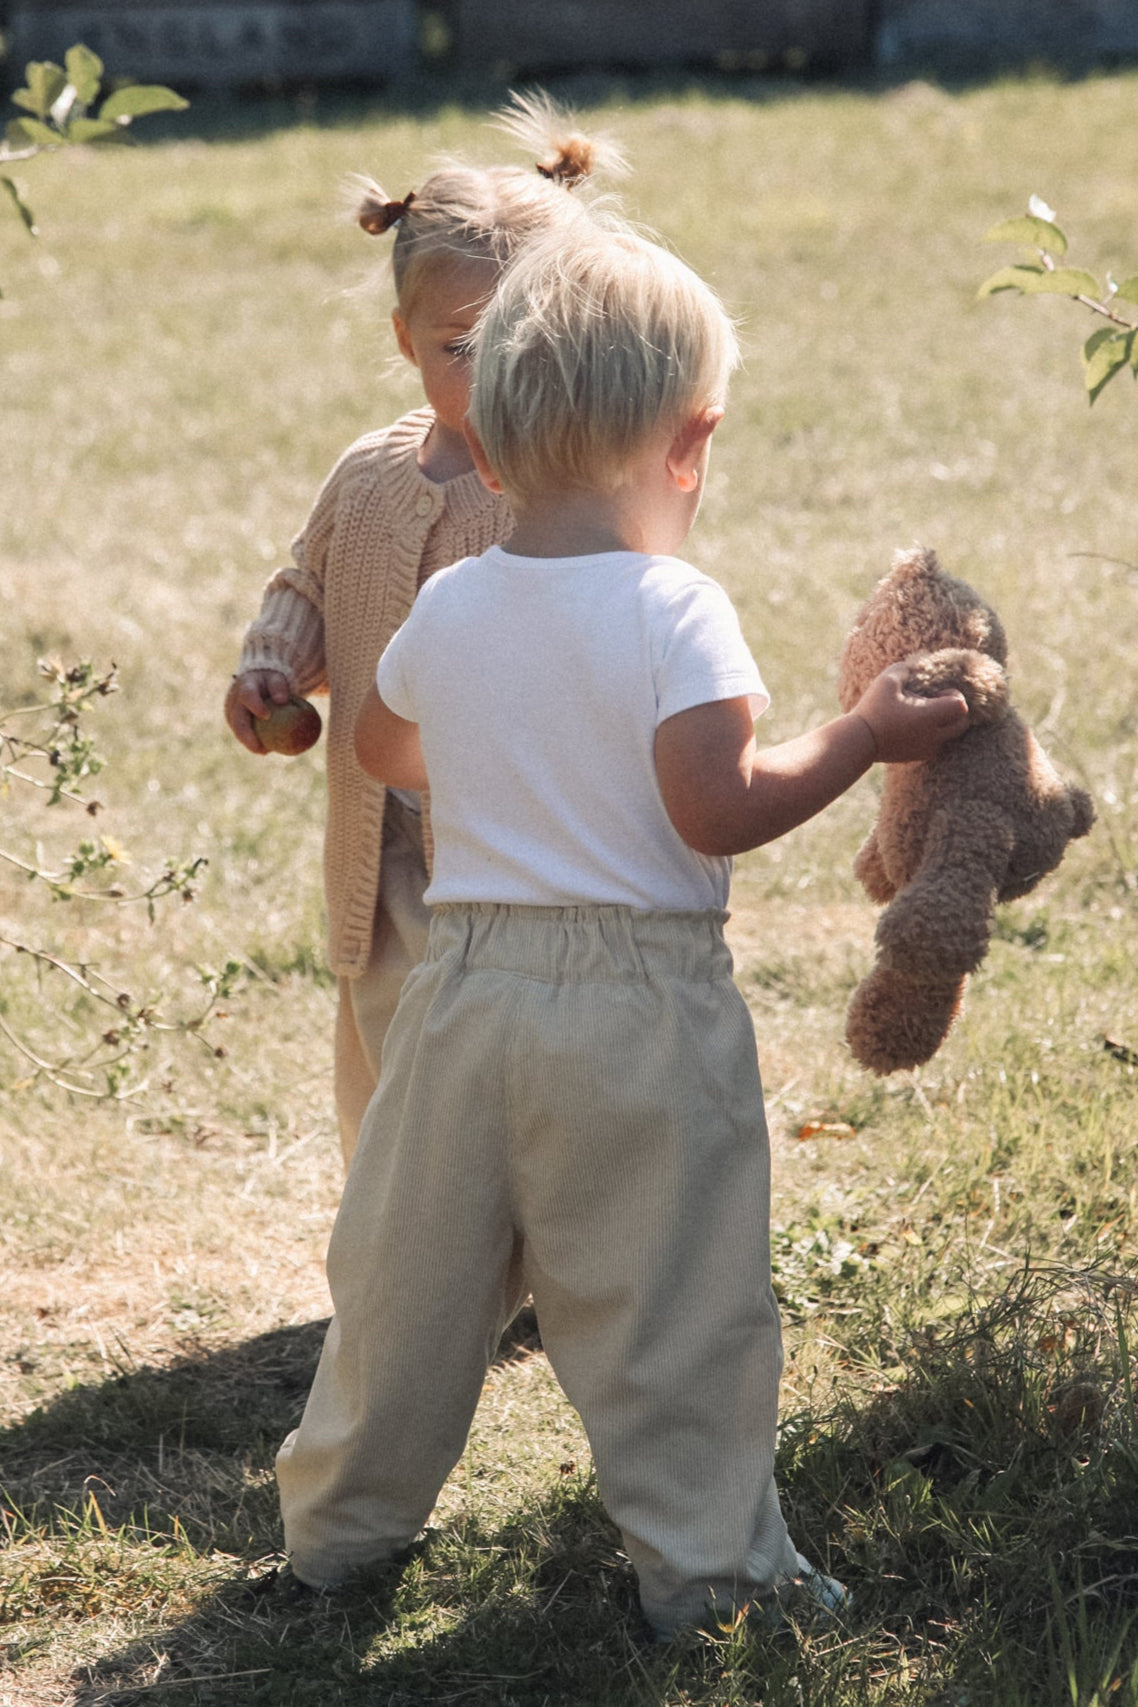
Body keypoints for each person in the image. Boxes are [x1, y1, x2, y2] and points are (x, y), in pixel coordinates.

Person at [275, 223, 970, 1640]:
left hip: (464, 992)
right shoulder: (677, 608)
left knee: (404, 1279)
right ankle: (707, 1571)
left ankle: (338, 1537)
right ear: (690, 440)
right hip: (636, 1005)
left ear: (493, 430)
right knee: (671, 1297)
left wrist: (500, 754)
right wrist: (860, 731)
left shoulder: (457, 600)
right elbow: (715, 806)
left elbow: (382, 741)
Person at [224, 94, 621, 1167]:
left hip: (515, 852)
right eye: (461, 347)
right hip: (383, 845)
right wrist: (273, 666)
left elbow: (615, 630)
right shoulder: (367, 474)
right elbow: (312, 581)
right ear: (404, 340)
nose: (496, 377)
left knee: (514, 1068)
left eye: (529, 345)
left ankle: (521, 1251)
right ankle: (400, 1257)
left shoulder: (570, 487)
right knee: (387, 1054)